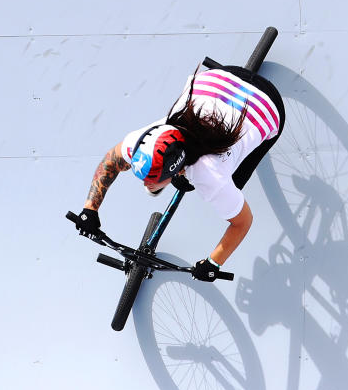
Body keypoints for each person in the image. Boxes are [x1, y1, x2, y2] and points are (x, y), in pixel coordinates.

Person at [75, 64, 286, 281]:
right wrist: (89, 209)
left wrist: (214, 262)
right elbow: (110, 161)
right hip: (222, 76)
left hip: (267, 103)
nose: (145, 185)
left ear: (176, 169)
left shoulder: (211, 176)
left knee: (235, 180)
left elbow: (242, 222)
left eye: (151, 181)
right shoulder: (142, 141)